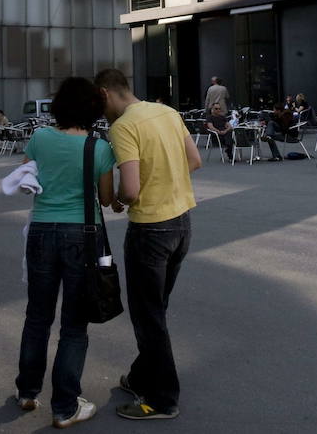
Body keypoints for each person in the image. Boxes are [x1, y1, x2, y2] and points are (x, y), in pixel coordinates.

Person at [95, 68, 202, 421]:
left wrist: (119, 201)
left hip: (150, 230)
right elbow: (194, 161)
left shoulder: (123, 126)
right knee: (156, 307)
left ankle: (162, 399)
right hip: (182, 223)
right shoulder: (168, 112)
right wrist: (165, 180)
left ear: (105, 93)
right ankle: (141, 375)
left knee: (148, 315)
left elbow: (130, 189)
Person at [14, 78, 117, 429]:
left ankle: (27, 391)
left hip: (42, 231)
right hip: (83, 237)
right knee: (74, 325)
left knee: (37, 317)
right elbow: (104, 199)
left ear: (58, 104)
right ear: (93, 108)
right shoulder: (98, 147)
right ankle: (64, 406)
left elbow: (28, 172)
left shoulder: (41, 137)